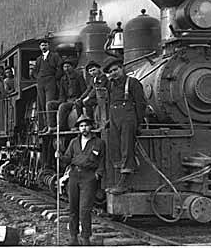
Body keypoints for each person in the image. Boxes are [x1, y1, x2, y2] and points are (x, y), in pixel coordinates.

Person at [102, 57, 147, 194]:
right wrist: (110, 120)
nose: (113, 73)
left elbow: (140, 104)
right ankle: (117, 179)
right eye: (110, 71)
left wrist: (138, 123)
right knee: (115, 147)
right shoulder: (111, 85)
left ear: (122, 68)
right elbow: (110, 103)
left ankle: (125, 182)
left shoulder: (133, 83)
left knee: (127, 148)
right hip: (115, 118)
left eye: (115, 70)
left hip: (128, 118)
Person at [60, 114, 105, 246]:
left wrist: (98, 174)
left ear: (91, 127)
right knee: (73, 208)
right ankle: (73, 237)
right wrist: (60, 156)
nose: (84, 128)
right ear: (79, 128)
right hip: (74, 176)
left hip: (89, 177)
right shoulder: (74, 142)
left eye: (86, 125)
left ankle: (85, 238)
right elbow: (68, 158)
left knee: (85, 209)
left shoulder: (99, 143)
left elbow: (102, 161)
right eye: (81, 126)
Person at [31, 39, 63, 133]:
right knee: (42, 104)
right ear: (40, 47)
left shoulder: (55, 56)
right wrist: (38, 78)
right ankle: (46, 124)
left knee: (49, 102)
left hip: (50, 81)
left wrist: (55, 78)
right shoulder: (38, 59)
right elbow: (34, 71)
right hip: (41, 83)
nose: (43, 47)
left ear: (48, 46)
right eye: (42, 45)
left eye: (45, 45)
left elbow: (60, 67)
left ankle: (51, 125)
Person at [56, 60, 87, 131]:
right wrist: (61, 101)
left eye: (68, 66)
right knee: (50, 104)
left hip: (76, 99)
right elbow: (62, 93)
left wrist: (80, 99)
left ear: (72, 67)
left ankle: (62, 127)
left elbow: (84, 90)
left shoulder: (78, 76)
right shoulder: (63, 79)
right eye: (64, 67)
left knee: (62, 106)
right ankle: (51, 126)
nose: (66, 69)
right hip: (67, 100)